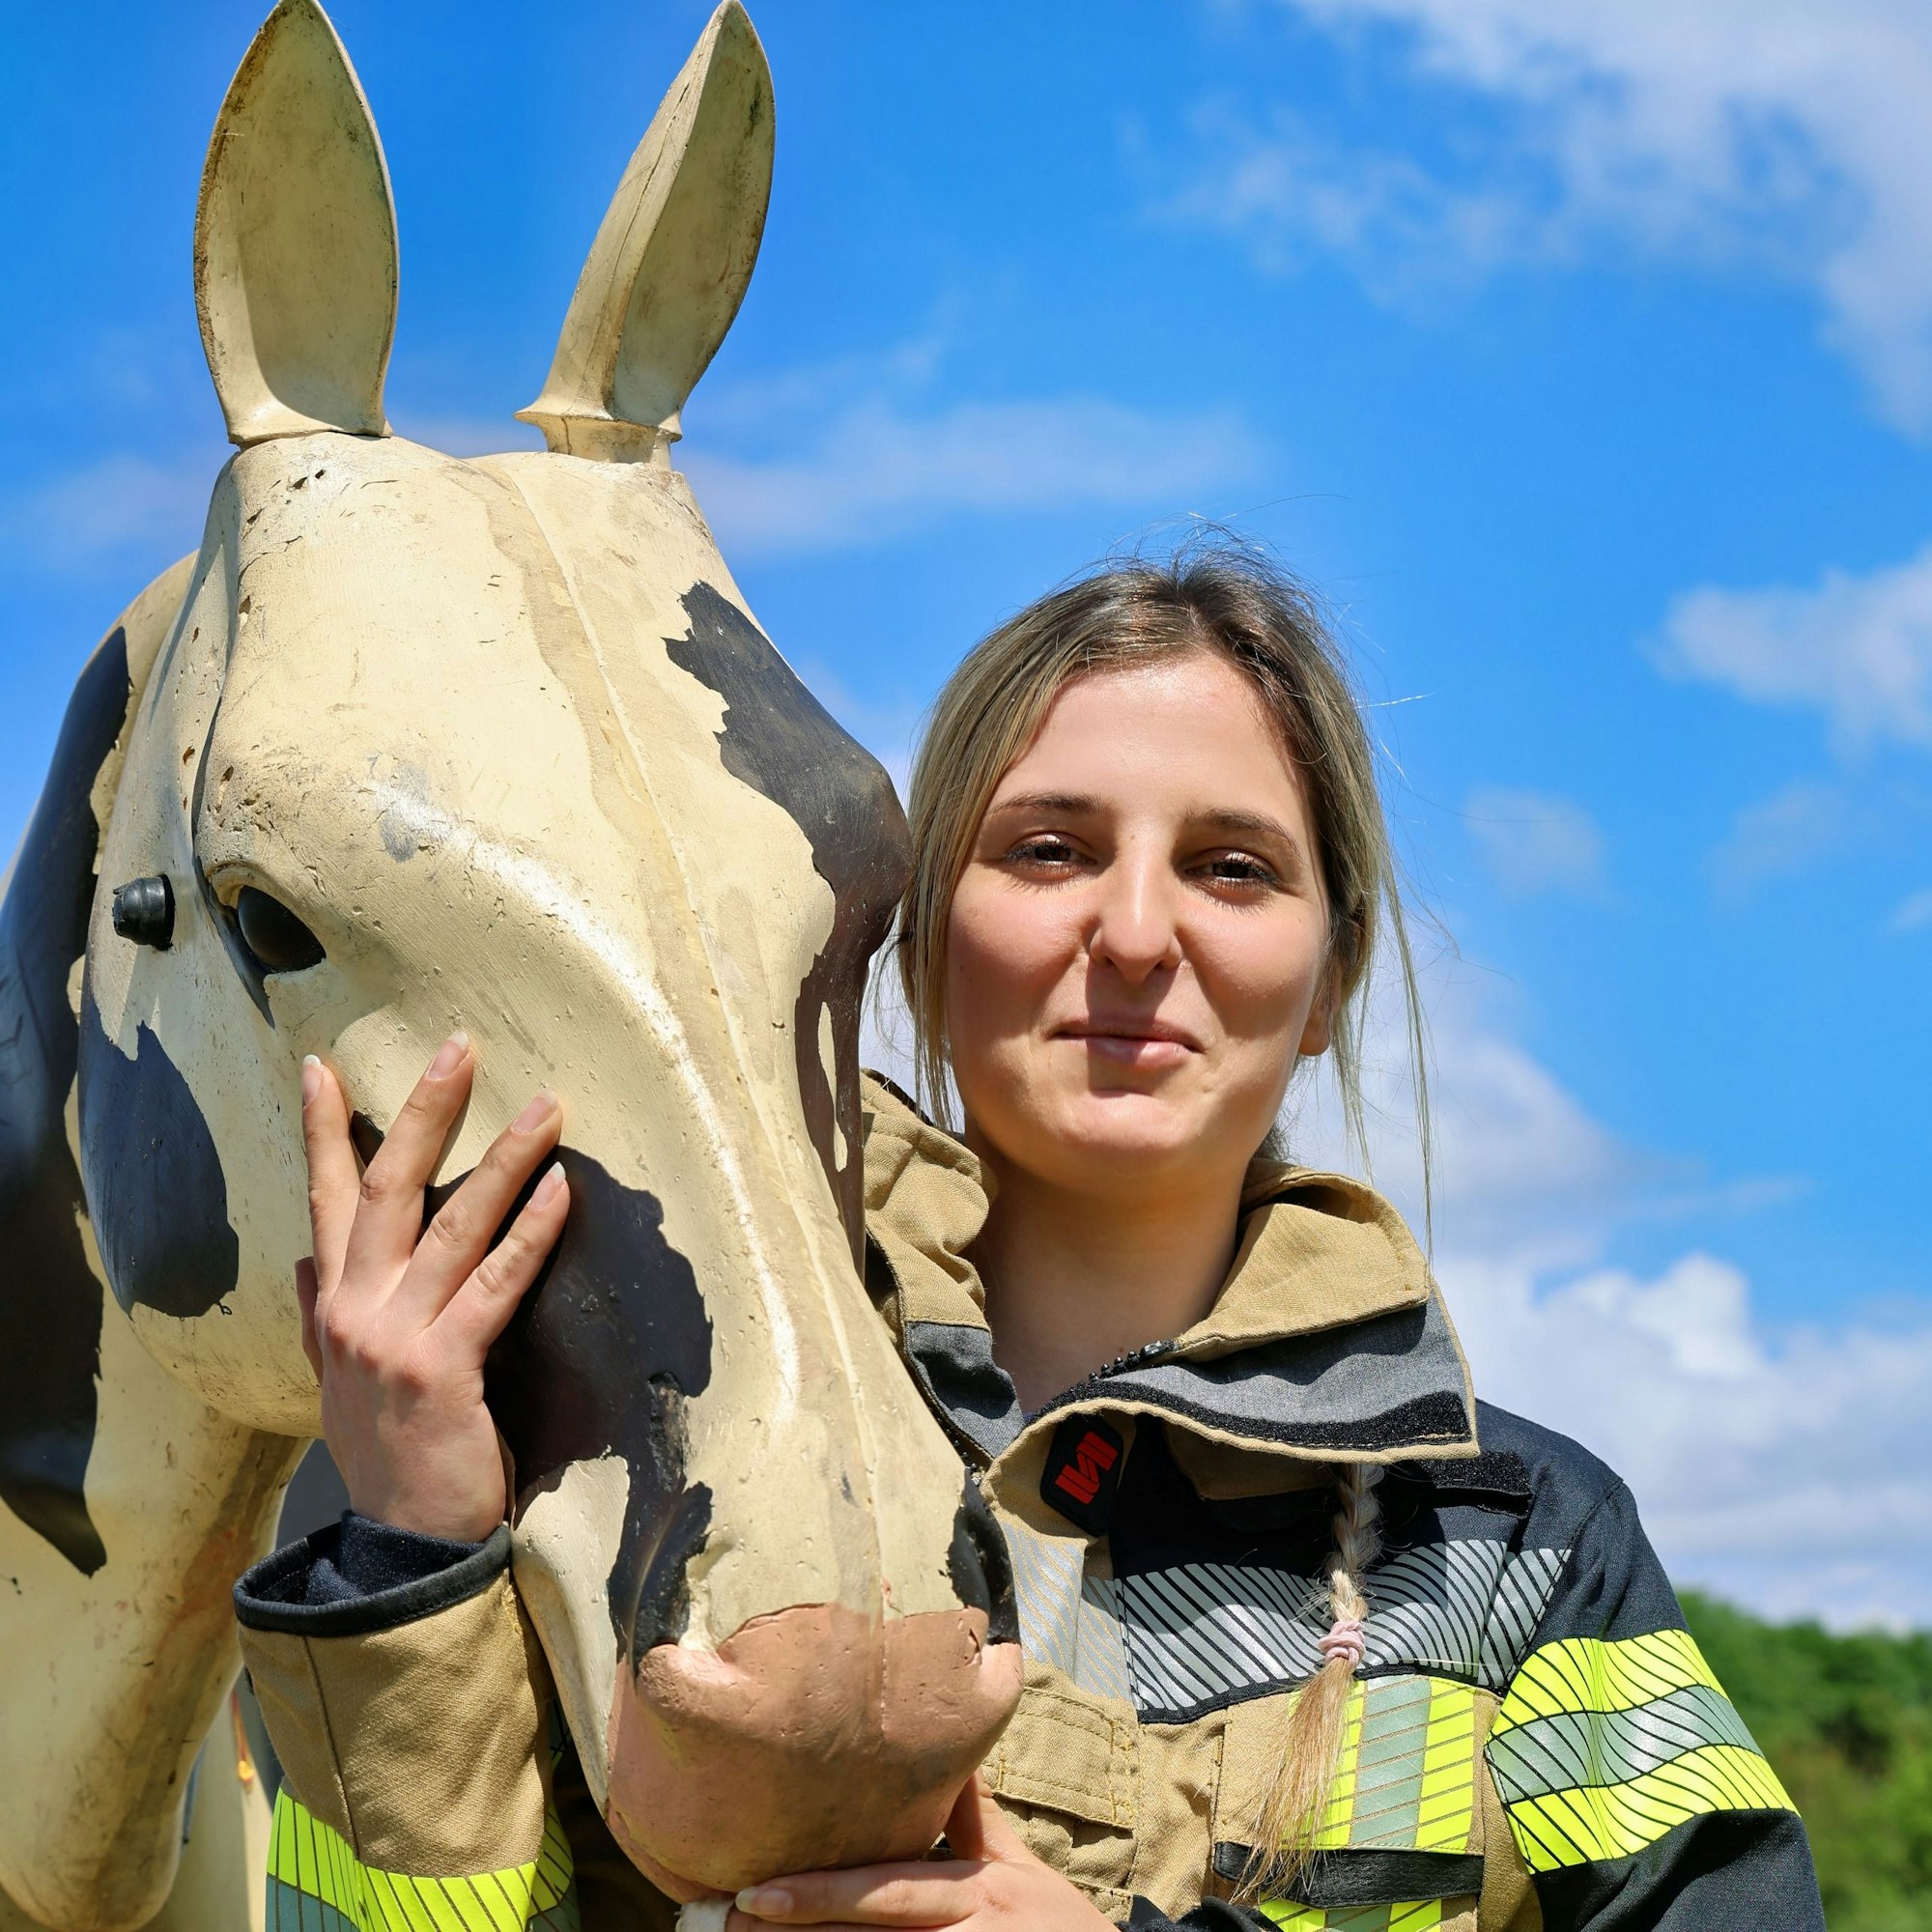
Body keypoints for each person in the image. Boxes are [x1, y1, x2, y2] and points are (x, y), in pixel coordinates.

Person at [235, 541, 1826, 1930]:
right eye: (1050, 850)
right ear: (917, 947)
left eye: (1232, 868)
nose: (1133, 935)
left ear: (1329, 982)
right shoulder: (583, 1466)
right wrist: (413, 1558)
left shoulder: (1516, 1545)